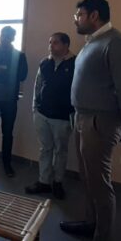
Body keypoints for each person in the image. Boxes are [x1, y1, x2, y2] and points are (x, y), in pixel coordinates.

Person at [62, 0, 121, 241]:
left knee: (99, 182)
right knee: (87, 177)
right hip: (83, 117)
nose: (75, 20)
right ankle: (91, 223)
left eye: (79, 15)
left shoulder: (116, 44)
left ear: (94, 16)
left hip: (100, 121)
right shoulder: (92, 42)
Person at [25, 32, 76, 200]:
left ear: (65, 45)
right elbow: (38, 85)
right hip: (42, 114)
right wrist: (35, 108)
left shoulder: (76, 63)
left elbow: (79, 91)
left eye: (55, 43)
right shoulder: (45, 63)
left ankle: (58, 182)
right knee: (45, 149)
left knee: (61, 151)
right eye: (50, 43)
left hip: (63, 117)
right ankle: (44, 181)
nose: (51, 46)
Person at [0, 26, 28, 177]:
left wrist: (2, 70)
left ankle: (7, 163)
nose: (4, 38)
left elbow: (23, 75)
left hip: (10, 99)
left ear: (13, 38)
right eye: (3, 35)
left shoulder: (19, 55)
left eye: (8, 36)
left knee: (8, 133)